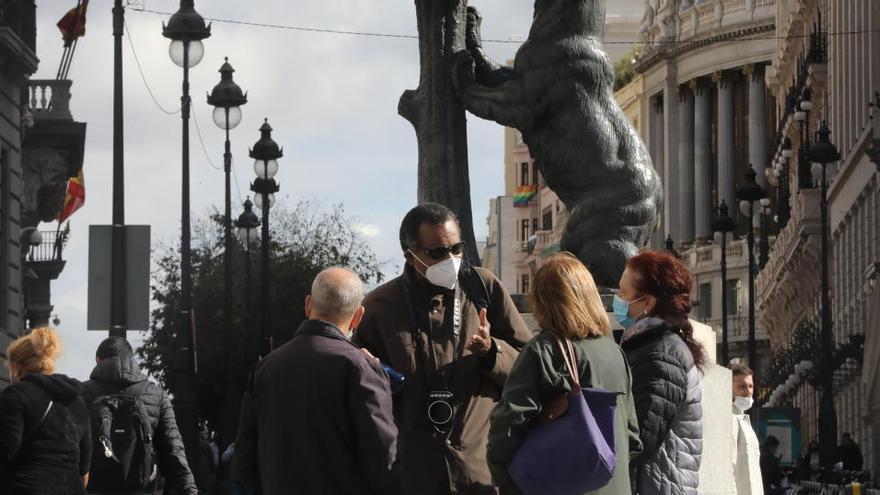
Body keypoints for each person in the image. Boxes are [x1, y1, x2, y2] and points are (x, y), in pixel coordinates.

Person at [354, 203, 532, 494]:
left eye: (457, 248)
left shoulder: (484, 289)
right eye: (436, 253)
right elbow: (360, 396)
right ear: (411, 257)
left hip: (479, 474)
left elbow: (527, 368)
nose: (450, 259)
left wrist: (491, 351)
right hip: (413, 475)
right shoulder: (378, 308)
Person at [487, 253, 643, 494]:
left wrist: (504, 478)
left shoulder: (543, 351)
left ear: (541, 301)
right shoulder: (615, 352)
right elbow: (632, 436)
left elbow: (508, 426)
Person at [234, 267, 399, 495]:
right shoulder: (361, 368)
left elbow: (244, 459)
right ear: (358, 316)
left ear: (308, 305)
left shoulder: (265, 368)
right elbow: (383, 458)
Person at [614, 250, 706, 494]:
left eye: (624, 293)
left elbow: (640, 437)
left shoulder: (661, 354)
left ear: (648, 302)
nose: (617, 299)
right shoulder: (651, 345)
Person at [82, 336, 197, 494]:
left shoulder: (82, 394)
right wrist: (189, 490)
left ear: (98, 360)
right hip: (140, 487)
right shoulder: (156, 395)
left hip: (95, 488)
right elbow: (173, 450)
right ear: (131, 360)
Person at [0, 327, 92, 493]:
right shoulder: (76, 400)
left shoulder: (16, 395)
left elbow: (6, 451)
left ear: (16, 367)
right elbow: (84, 472)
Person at [731, 364, 763, 494]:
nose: (748, 391)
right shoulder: (731, 418)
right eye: (742, 386)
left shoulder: (743, 419)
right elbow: (729, 467)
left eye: (750, 386)